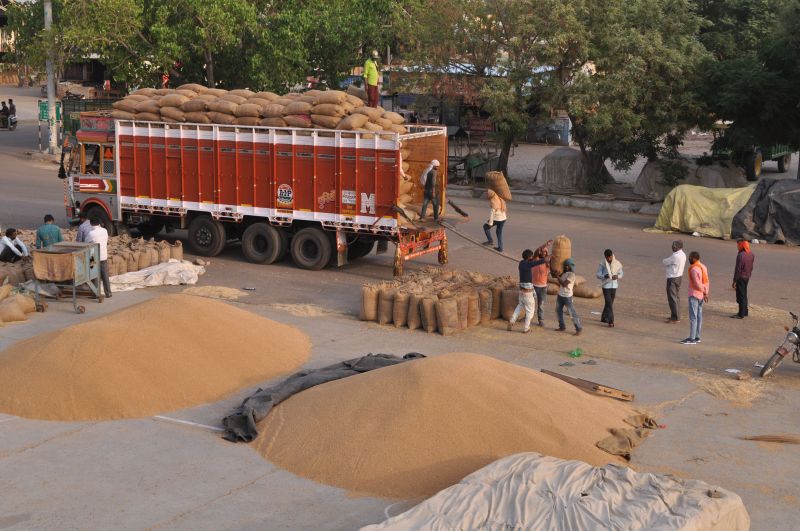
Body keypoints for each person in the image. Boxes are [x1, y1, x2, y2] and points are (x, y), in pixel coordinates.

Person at [508, 243, 550, 334]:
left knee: (519, 306)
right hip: (528, 293)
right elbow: (541, 261)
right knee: (530, 311)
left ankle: (512, 321)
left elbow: (537, 259)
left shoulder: (521, 263)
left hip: (521, 292)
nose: (532, 257)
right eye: (531, 256)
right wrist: (552, 255)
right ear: (529, 257)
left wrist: (544, 246)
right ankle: (526, 329)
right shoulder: (530, 264)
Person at [681, 251, 709, 345]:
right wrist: (706, 293)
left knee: (693, 317)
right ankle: (697, 337)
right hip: (701, 296)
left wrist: (703, 291)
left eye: (690, 257)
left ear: (693, 258)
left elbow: (697, 284)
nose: (689, 259)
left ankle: (692, 338)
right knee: (699, 316)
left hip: (694, 295)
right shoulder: (703, 267)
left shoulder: (694, 269)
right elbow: (706, 282)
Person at [85, 217, 112, 298]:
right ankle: (108, 293)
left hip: (93, 257)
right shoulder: (104, 230)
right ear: (99, 223)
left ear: (91, 224)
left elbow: (86, 243)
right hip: (103, 256)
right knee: (105, 275)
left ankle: (96, 293)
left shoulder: (91, 233)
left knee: (94, 276)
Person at [555, 258, 583, 336]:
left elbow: (564, 284)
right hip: (560, 295)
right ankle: (562, 326)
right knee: (558, 311)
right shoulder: (564, 273)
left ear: (571, 266)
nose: (566, 267)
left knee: (572, 313)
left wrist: (557, 276)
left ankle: (578, 328)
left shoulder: (572, 275)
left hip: (567, 297)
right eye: (565, 265)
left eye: (568, 266)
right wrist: (557, 274)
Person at [596, 249, 623, 327]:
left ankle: (603, 317)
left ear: (612, 256)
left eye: (610, 257)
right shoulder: (602, 264)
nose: (608, 259)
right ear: (605, 257)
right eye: (607, 257)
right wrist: (604, 276)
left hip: (614, 286)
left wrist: (617, 276)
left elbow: (621, 273)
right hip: (606, 285)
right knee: (609, 303)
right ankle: (611, 321)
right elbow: (598, 275)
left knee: (609, 303)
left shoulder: (617, 263)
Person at [663, 240, 686, 323]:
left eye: (674, 246)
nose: (672, 247)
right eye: (673, 246)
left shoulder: (676, 256)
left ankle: (675, 318)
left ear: (679, 247)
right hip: (678, 277)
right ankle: (675, 315)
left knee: (672, 298)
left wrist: (666, 261)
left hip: (672, 278)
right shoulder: (683, 254)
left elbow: (665, 261)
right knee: (676, 297)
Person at [731, 239, 754, 319]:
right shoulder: (751, 254)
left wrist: (734, 280)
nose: (737, 247)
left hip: (740, 277)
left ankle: (741, 314)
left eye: (738, 245)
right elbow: (751, 267)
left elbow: (738, 269)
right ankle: (745, 311)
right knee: (744, 294)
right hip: (747, 277)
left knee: (740, 295)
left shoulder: (740, 255)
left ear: (742, 245)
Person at [532, 247, 550, 327]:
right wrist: (544, 245)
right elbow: (536, 252)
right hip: (533, 286)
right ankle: (527, 317)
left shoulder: (547, 262)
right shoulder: (535, 259)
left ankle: (541, 320)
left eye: (545, 252)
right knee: (530, 303)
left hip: (543, 287)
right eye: (542, 251)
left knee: (541, 304)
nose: (543, 253)